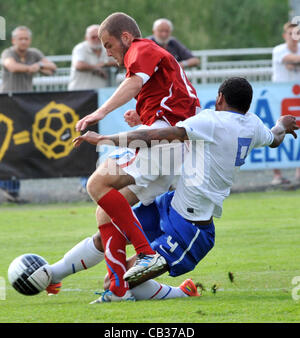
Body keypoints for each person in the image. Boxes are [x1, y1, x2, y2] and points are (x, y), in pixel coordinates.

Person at [72, 77, 298, 301]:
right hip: (169, 207)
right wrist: (282, 125)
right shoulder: (254, 125)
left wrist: (104, 138)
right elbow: (275, 137)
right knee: (112, 232)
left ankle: (183, 292)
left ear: (219, 98)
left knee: (117, 281)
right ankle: (54, 273)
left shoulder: (211, 121)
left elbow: (155, 136)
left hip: (190, 231)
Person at [46, 12, 200, 302]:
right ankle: (117, 289)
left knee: (96, 184)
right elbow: (172, 100)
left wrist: (99, 113)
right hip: (170, 146)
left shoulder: (141, 48)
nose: (107, 52)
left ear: (126, 38)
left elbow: (133, 84)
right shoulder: (154, 59)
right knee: (105, 212)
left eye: (108, 45)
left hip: (162, 143)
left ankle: (145, 253)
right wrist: (140, 115)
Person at [0, 26, 56, 202]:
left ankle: (12, 190)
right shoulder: (8, 52)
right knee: (6, 147)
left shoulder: (34, 54)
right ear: (13, 40)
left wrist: (38, 65)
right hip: (7, 107)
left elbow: (51, 68)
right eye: (20, 39)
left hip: (24, 107)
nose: (23, 41)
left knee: (21, 147)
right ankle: (6, 186)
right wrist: (30, 68)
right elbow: (11, 66)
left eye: (26, 38)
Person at [67, 24, 117, 193]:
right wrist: (100, 67)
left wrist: (106, 64)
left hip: (101, 104)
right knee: (83, 141)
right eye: (93, 37)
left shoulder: (106, 49)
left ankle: (101, 179)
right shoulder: (80, 49)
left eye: (98, 36)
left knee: (100, 141)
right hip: (81, 102)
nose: (96, 40)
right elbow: (79, 64)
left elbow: (119, 62)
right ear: (86, 38)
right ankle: (84, 181)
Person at [271, 21, 300, 185]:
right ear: (285, 35)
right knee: (277, 133)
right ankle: (277, 174)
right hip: (280, 100)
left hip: (296, 100)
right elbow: (289, 60)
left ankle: (298, 173)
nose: (294, 36)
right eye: (291, 33)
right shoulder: (279, 50)